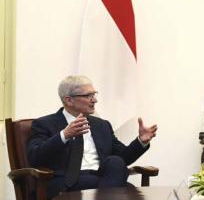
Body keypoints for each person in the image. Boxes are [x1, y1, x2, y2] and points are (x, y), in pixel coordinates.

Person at [27, 75, 158, 198]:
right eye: (88, 96)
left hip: (104, 177)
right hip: (68, 182)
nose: (95, 100)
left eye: (94, 94)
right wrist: (64, 135)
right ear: (69, 100)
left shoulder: (102, 125)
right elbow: (35, 157)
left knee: (115, 162)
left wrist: (141, 141)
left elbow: (123, 158)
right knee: (124, 192)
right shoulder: (44, 124)